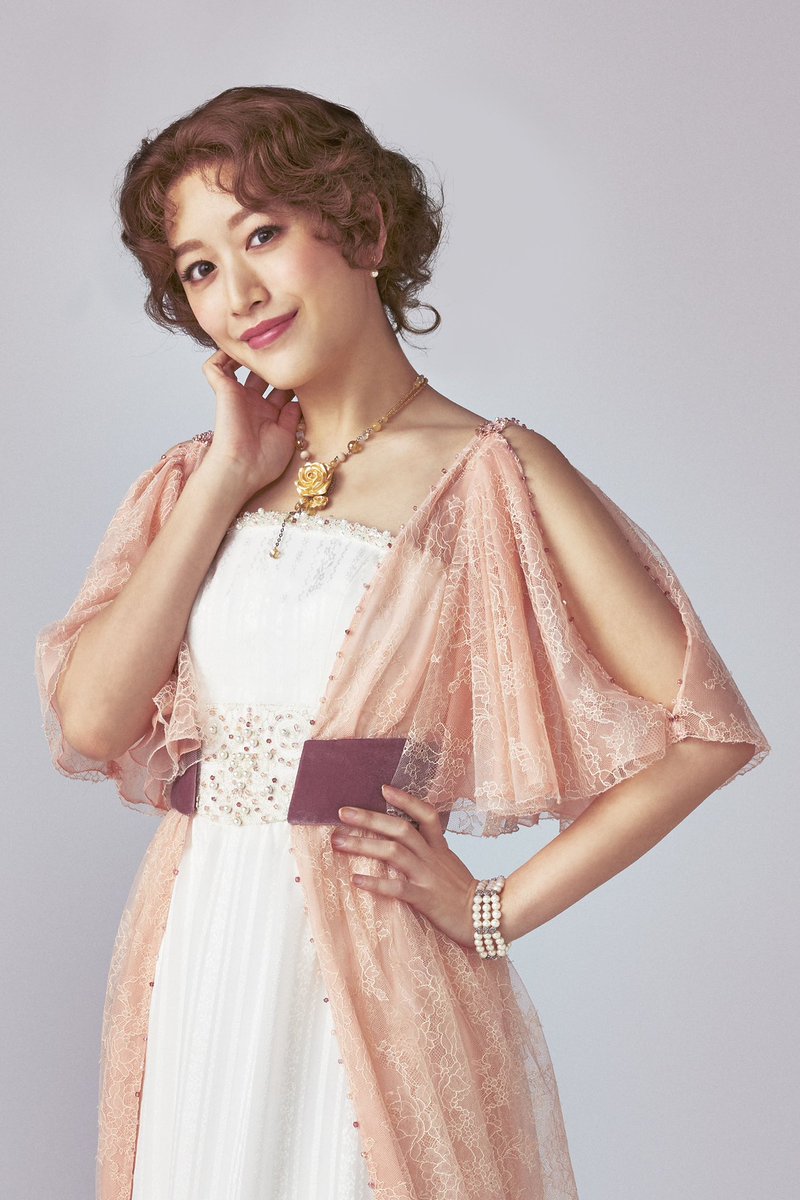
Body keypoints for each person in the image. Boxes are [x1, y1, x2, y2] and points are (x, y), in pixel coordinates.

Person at [34, 85, 771, 1200]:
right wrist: (227, 478)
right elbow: (92, 723)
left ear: (365, 228)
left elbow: (706, 730)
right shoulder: (196, 479)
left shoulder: (491, 473)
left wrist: (493, 909)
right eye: (197, 269)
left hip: (371, 971)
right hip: (196, 949)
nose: (236, 295)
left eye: (262, 235)